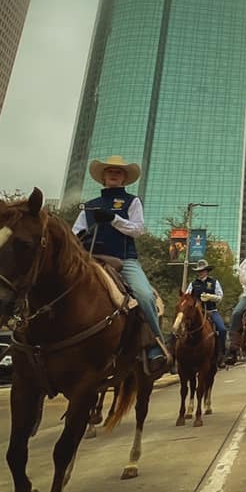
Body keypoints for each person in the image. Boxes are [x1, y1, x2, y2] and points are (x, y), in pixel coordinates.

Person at [72, 155, 168, 376]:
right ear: (103, 177)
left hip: (124, 260)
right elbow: (74, 232)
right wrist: (78, 239)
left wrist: (113, 219)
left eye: (118, 172)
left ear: (124, 178)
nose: (114, 174)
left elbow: (138, 229)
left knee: (144, 295)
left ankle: (156, 345)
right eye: (110, 171)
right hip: (90, 259)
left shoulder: (132, 201)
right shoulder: (89, 206)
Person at [189, 260, 226, 367]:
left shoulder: (214, 282)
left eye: (202, 270)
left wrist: (210, 297)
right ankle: (175, 356)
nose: (200, 273)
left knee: (222, 330)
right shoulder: (193, 284)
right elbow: (187, 297)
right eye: (199, 271)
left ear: (207, 271)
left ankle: (221, 354)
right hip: (197, 312)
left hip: (211, 311)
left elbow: (220, 297)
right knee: (180, 328)